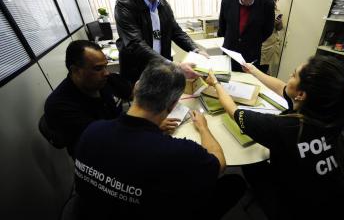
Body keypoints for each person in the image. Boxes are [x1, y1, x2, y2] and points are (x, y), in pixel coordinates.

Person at [72, 61, 246, 219]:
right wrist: (203, 128)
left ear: (136, 87)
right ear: (172, 105)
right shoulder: (178, 152)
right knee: (235, 184)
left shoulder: (91, 131)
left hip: (94, 211)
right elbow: (219, 163)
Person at [205, 55, 344, 220]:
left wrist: (215, 83)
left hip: (298, 213)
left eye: (293, 75)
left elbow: (234, 112)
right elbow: (283, 88)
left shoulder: (287, 128)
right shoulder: (340, 118)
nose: (289, 78)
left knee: (251, 164)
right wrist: (254, 71)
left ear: (301, 95)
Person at [44, 40, 179, 158]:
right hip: (98, 155)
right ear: (75, 71)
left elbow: (135, 94)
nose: (106, 72)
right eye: (98, 68)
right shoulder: (59, 105)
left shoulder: (106, 80)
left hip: (125, 136)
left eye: (105, 66)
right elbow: (101, 139)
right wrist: (148, 125)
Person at [115, 0, 207, 83]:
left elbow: (177, 32)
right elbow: (135, 45)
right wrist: (173, 66)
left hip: (162, 70)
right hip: (139, 73)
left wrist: (195, 50)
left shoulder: (163, 5)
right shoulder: (125, 4)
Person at [218, 0, 274, 72]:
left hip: (251, 58)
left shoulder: (267, 5)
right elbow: (222, 29)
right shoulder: (226, 2)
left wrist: (251, 42)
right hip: (229, 55)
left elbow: (268, 31)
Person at [259, 0, 283, 75]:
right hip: (264, 43)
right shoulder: (261, 9)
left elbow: (280, 28)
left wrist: (279, 22)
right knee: (260, 66)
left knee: (267, 67)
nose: (274, 2)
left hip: (273, 42)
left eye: (276, 0)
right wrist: (271, 22)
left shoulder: (277, 11)